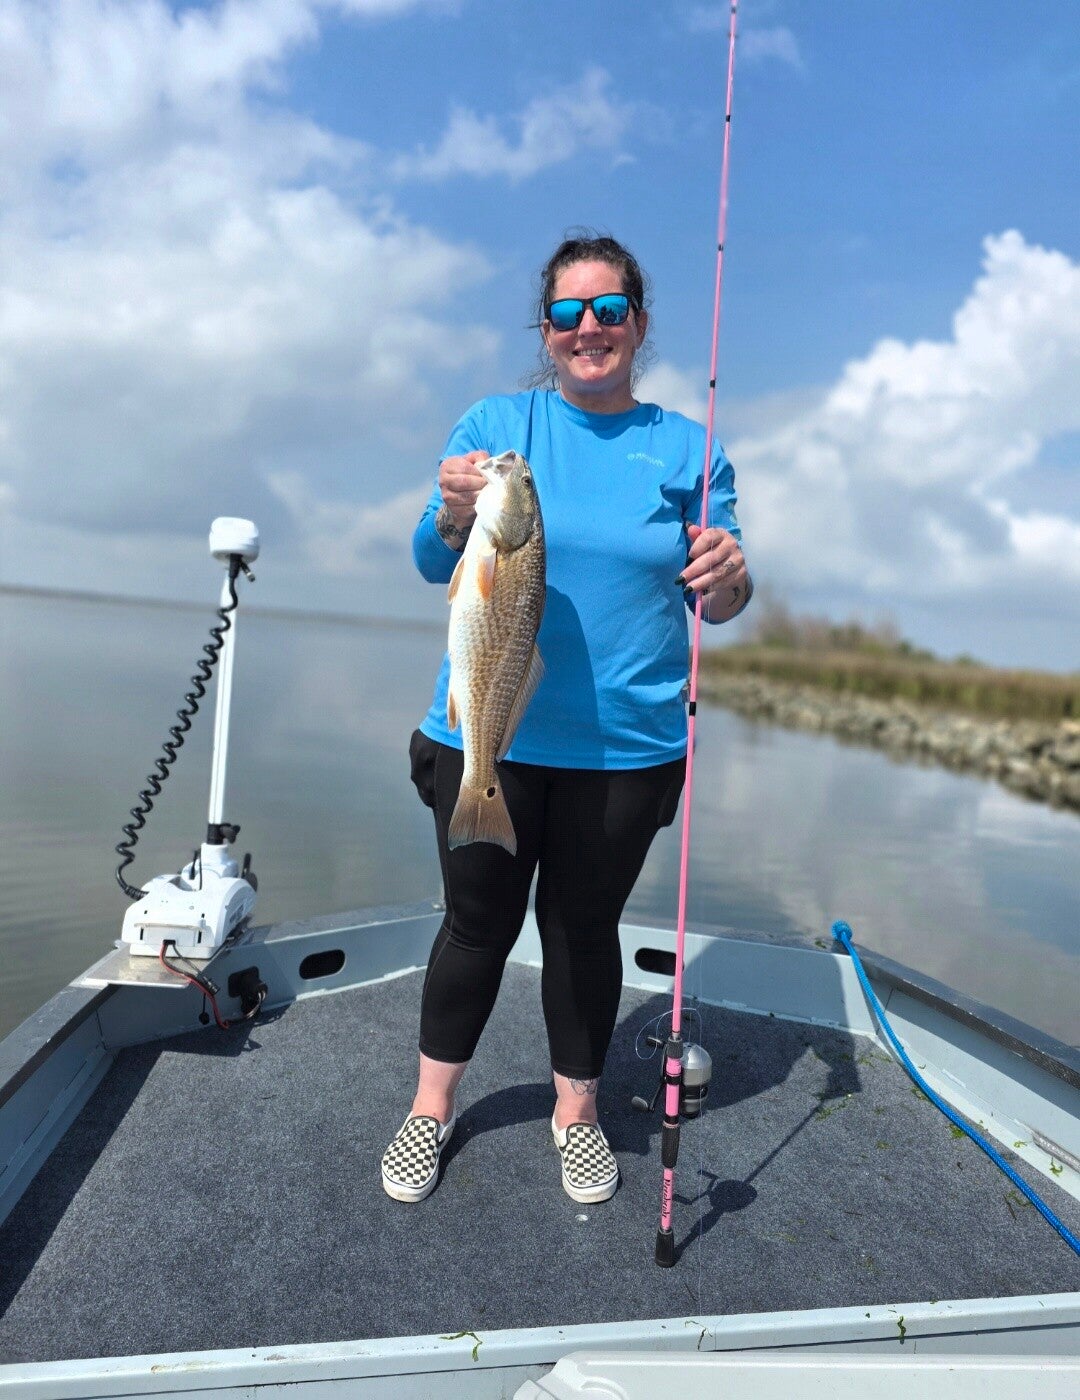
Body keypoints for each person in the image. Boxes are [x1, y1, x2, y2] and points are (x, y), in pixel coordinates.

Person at [381, 232, 751, 1206]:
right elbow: (429, 559)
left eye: (609, 309)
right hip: (485, 736)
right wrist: (453, 512)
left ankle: (576, 1115)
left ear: (638, 322)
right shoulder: (499, 424)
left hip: (627, 749)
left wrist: (731, 576)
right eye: (567, 313)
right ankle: (429, 1108)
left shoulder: (690, 449)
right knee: (475, 926)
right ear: (544, 330)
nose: (589, 328)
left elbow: (719, 602)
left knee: (585, 930)